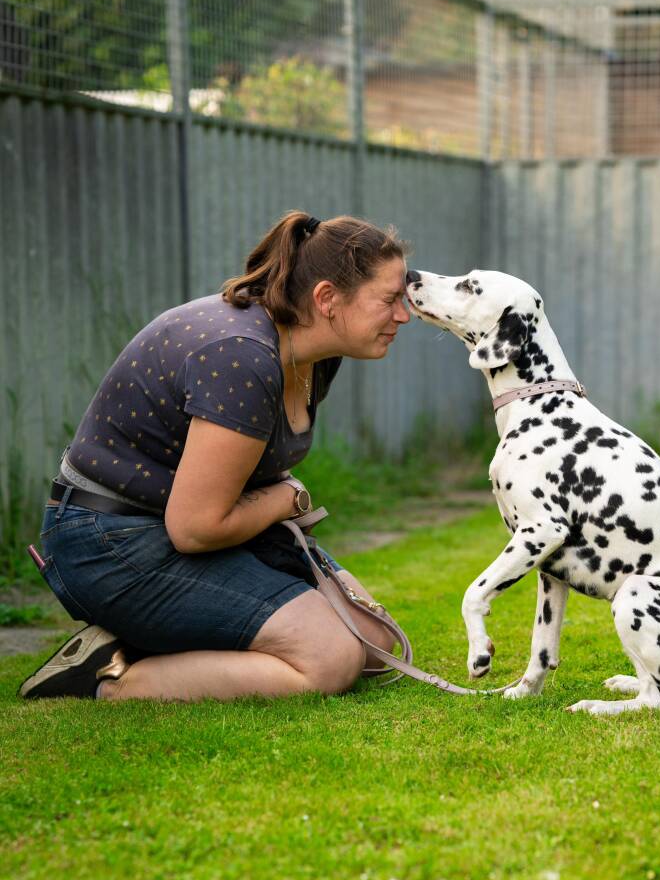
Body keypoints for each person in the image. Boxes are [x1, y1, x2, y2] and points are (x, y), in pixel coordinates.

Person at [20, 212, 412, 701]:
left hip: (187, 530)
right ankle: (109, 674)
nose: (404, 315)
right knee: (330, 660)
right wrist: (289, 499)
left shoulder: (314, 353)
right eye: (391, 299)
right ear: (327, 298)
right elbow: (197, 528)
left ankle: (158, 640)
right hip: (111, 542)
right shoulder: (241, 356)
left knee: (373, 642)